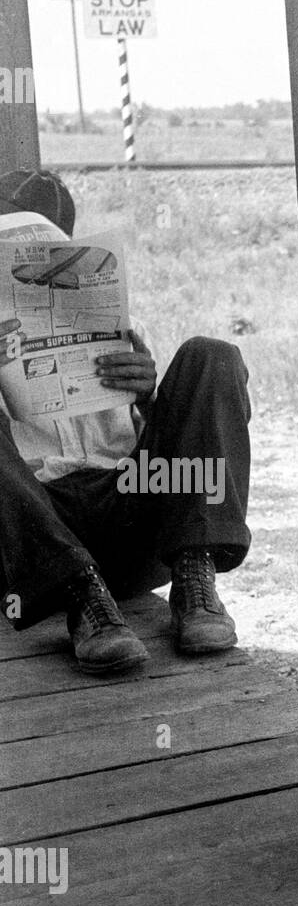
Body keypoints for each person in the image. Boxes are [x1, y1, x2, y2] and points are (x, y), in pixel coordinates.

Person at [0, 169, 251, 674]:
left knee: (211, 355)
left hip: (132, 514)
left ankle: (195, 578)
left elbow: (177, 455)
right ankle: (83, 599)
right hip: (38, 537)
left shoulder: (121, 325)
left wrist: (149, 399)